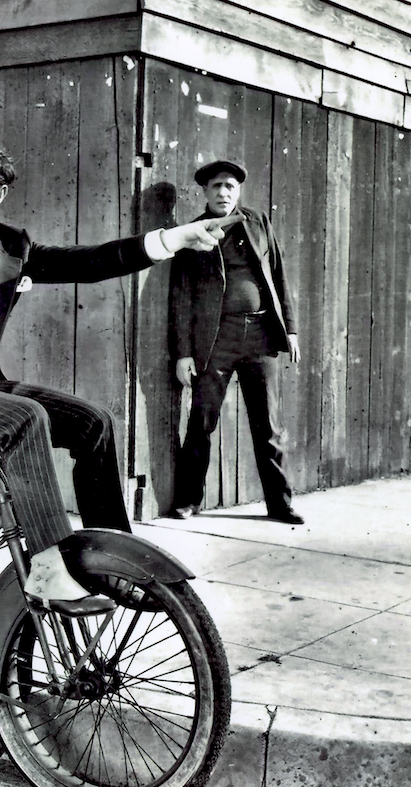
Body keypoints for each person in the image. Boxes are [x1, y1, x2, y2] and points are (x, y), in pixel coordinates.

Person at [0, 130, 241, 616]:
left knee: (93, 422)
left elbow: (90, 261)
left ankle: (111, 560)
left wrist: (170, 239)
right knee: (25, 418)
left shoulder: (13, 244)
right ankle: (46, 564)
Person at [168, 159, 304, 524]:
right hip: (215, 341)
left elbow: (279, 275)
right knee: (202, 421)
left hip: (260, 337)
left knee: (269, 426)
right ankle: (187, 500)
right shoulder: (193, 232)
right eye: (216, 186)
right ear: (205, 192)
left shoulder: (258, 222)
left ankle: (280, 504)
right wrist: (183, 354)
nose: (223, 192)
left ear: (238, 190)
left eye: (230, 186)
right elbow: (181, 297)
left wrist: (289, 329)